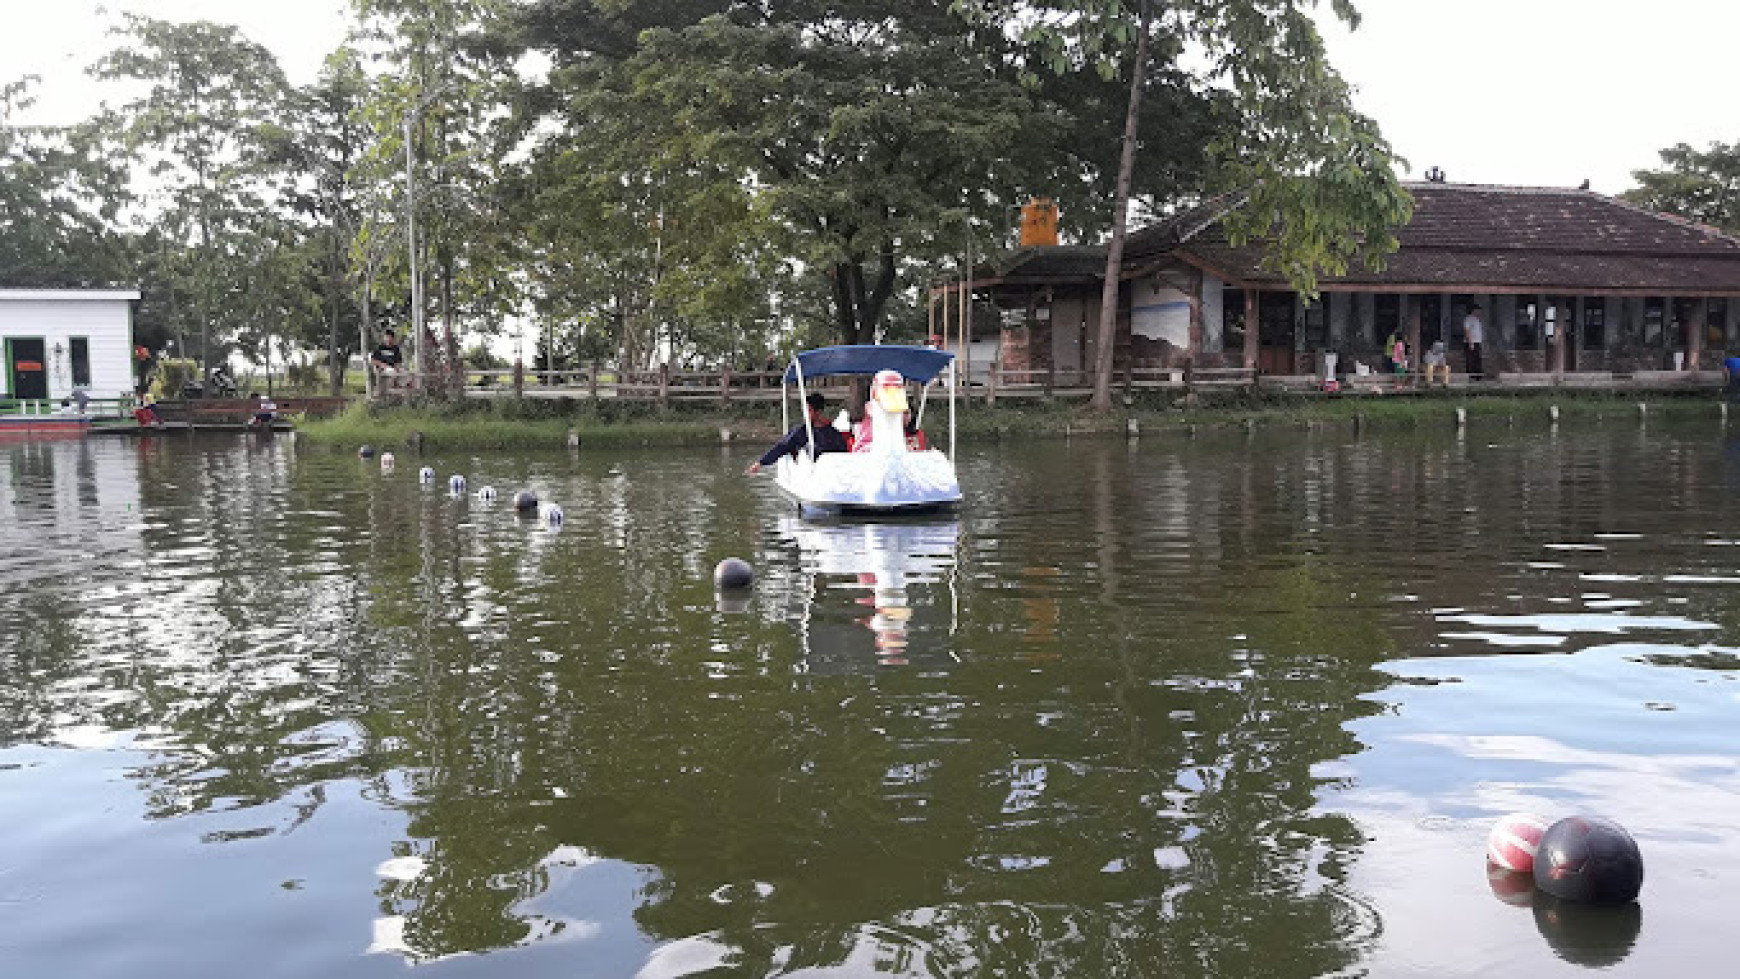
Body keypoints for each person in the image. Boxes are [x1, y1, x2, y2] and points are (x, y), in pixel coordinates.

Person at [746, 391, 848, 474]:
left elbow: (843, 452)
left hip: (832, 472)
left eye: (808, 410)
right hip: (812, 471)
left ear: (818, 411)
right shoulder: (801, 431)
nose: (805, 414)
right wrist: (760, 463)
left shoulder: (833, 432)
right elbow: (782, 446)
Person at [1463, 304, 1486, 379]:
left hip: (1477, 342)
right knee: (1470, 359)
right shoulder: (1468, 319)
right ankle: (1470, 374)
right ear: (1474, 310)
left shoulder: (1477, 319)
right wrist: (1470, 342)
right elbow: (1467, 331)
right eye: (1478, 310)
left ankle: (1478, 374)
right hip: (1471, 342)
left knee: (1477, 358)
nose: (1479, 312)